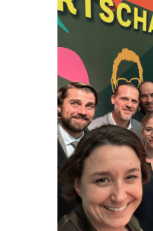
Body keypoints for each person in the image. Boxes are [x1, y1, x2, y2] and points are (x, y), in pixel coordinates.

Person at [57, 124, 151, 231]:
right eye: (103, 180)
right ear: (78, 185)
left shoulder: (127, 218)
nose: (120, 198)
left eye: (130, 177)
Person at [57, 82, 99, 223]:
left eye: (89, 106)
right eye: (75, 103)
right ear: (59, 107)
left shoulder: (100, 145)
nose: (82, 111)